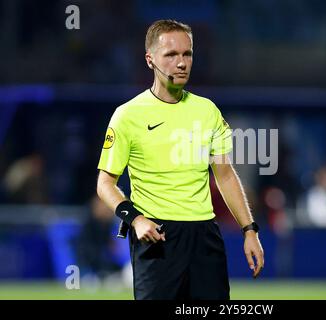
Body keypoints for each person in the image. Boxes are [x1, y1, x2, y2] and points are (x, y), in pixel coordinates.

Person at [96, 19, 264, 300]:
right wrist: (135, 219)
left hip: (205, 236)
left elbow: (224, 174)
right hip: (157, 236)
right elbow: (105, 183)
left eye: (187, 54)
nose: (181, 62)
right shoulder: (128, 115)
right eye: (171, 55)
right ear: (150, 60)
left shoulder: (207, 111)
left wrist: (249, 230)